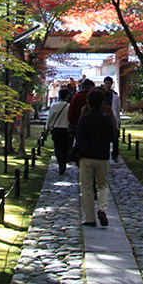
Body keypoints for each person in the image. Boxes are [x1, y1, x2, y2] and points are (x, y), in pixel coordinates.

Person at [74, 88, 116, 227]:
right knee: (102, 185)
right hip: (102, 155)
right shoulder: (107, 118)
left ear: (88, 102)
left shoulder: (84, 118)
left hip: (86, 156)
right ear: (102, 102)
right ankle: (102, 208)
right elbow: (112, 136)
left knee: (86, 187)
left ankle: (90, 218)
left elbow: (79, 138)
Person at [45, 89, 72, 175]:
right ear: (67, 96)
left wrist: (47, 128)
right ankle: (64, 163)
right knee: (65, 148)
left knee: (58, 148)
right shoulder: (69, 106)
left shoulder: (54, 105)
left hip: (56, 129)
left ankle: (61, 165)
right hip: (66, 130)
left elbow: (50, 118)